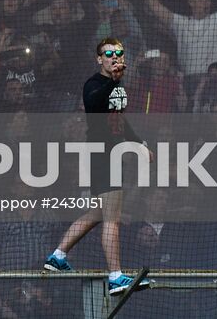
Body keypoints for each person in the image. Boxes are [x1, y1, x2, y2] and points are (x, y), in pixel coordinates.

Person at [44, 38, 154, 296]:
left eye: (118, 53)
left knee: (96, 213)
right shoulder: (94, 84)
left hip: (111, 154)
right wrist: (113, 81)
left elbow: (119, 121)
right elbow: (94, 106)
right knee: (112, 217)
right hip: (102, 155)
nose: (114, 57)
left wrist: (139, 143)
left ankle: (58, 256)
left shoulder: (118, 87)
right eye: (108, 54)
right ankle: (116, 276)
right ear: (99, 59)